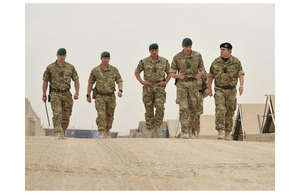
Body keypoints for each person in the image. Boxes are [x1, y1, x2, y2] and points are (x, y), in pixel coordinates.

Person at [205, 42, 245, 140]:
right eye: (221, 49)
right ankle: (220, 132)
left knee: (230, 111)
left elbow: (241, 74)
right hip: (219, 89)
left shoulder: (236, 62)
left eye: (223, 50)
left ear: (229, 51)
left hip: (231, 90)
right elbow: (210, 76)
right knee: (220, 109)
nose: (221, 51)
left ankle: (228, 133)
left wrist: (241, 85)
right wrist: (209, 88)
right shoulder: (216, 62)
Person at [170, 38, 206, 139]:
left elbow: (203, 70)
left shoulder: (197, 56)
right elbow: (171, 73)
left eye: (190, 46)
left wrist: (200, 74)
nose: (188, 48)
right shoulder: (177, 57)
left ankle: (190, 127)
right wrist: (178, 76)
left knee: (195, 108)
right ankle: (184, 131)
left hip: (194, 84)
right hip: (182, 84)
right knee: (183, 108)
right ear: (182, 46)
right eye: (186, 46)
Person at [42, 48, 80, 139]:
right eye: (60, 55)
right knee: (57, 113)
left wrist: (77, 93)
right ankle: (58, 132)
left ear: (66, 56)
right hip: (55, 93)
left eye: (64, 55)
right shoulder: (50, 67)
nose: (62, 57)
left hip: (67, 93)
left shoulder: (70, 67)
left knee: (66, 115)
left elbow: (76, 80)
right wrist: (44, 94)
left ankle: (63, 130)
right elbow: (45, 81)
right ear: (57, 55)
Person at [135, 43, 171, 138]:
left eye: (156, 50)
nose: (154, 52)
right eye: (152, 50)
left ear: (158, 50)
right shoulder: (144, 61)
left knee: (160, 107)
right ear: (150, 51)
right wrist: (142, 82)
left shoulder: (164, 61)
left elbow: (169, 73)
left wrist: (165, 82)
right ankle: (150, 129)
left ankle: (157, 127)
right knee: (149, 109)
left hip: (160, 87)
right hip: (148, 87)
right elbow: (137, 72)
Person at [87, 51, 123, 139]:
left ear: (109, 59)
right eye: (104, 58)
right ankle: (101, 131)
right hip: (100, 96)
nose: (105, 60)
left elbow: (119, 81)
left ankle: (107, 130)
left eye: (107, 58)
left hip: (111, 96)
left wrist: (120, 90)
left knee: (110, 115)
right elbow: (90, 83)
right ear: (101, 58)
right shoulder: (95, 70)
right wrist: (88, 95)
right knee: (101, 114)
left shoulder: (114, 70)